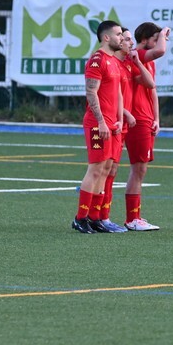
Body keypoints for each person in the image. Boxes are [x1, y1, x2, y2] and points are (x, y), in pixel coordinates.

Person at [100, 28, 155, 233]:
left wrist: (138, 62)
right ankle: (95, 217)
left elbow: (151, 85)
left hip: (120, 124)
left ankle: (102, 217)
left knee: (111, 169)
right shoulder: (106, 62)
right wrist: (124, 114)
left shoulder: (127, 65)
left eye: (130, 39)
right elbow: (101, 95)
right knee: (103, 169)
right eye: (125, 38)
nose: (130, 43)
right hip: (108, 123)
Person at [71, 21, 124, 234]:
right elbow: (91, 92)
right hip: (97, 123)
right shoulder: (97, 60)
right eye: (118, 34)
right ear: (106, 37)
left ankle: (94, 218)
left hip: (111, 123)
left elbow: (116, 93)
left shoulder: (114, 60)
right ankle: (80, 218)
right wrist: (101, 121)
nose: (122, 37)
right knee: (95, 169)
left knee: (105, 169)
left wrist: (118, 120)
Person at [123, 22, 171, 231]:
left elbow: (152, 90)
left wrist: (157, 118)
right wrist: (165, 32)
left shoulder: (146, 61)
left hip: (146, 118)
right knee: (138, 168)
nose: (159, 42)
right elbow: (160, 51)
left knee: (140, 169)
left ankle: (134, 217)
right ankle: (132, 218)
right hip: (137, 119)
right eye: (155, 38)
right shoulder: (139, 55)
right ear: (144, 40)